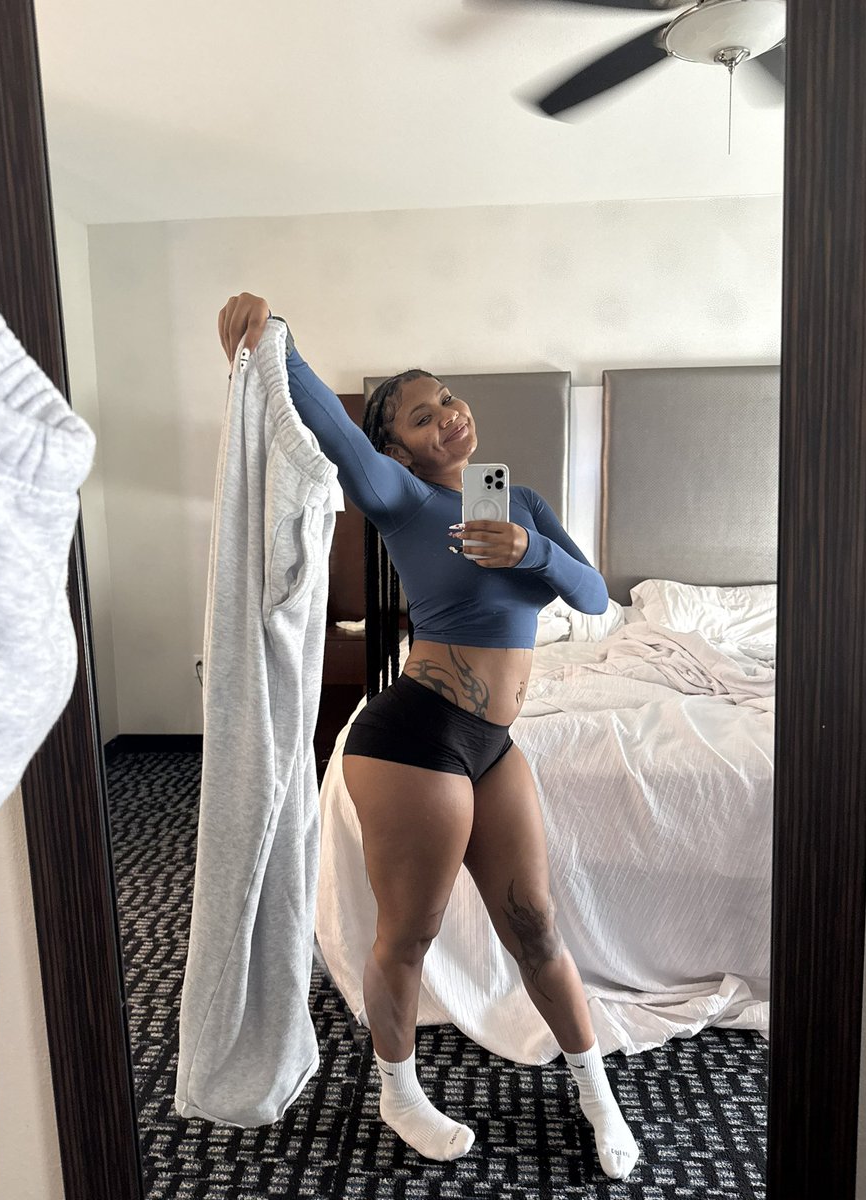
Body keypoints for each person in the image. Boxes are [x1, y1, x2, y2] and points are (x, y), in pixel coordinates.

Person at [218, 293, 639, 1181]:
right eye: (421, 415)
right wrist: (277, 338)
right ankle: (398, 1092)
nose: (447, 413)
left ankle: (597, 1093)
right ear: (401, 449)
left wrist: (528, 549)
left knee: (536, 925)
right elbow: (338, 435)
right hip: (413, 737)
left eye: (446, 397)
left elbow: (596, 597)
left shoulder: (517, 502)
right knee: (411, 932)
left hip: (492, 744)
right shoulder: (400, 496)